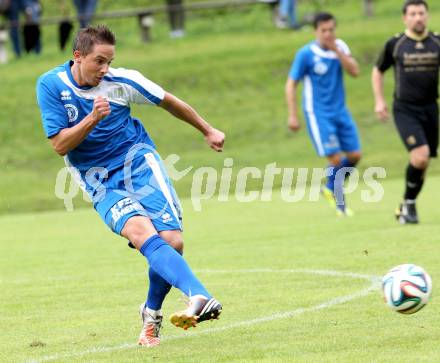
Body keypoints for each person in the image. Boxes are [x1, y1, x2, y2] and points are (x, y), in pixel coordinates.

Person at [36, 25, 224, 347]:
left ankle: (151, 314)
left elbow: (168, 101)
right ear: (77, 56)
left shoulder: (122, 82)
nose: (105, 69)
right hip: (98, 179)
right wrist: (91, 119)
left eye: (109, 61)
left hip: (138, 164)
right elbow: (60, 145)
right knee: (140, 233)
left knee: (172, 241)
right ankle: (199, 296)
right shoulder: (51, 85)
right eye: (99, 61)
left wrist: (206, 129)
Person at [285, 12, 361, 216]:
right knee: (335, 159)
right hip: (318, 113)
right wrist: (293, 115)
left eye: (331, 30)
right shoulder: (306, 54)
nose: (328, 34)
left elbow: (355, 72)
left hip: (340, 111)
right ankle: (339, 201)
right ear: (316, 31)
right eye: (324, 30)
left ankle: (329, 187)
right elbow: (291, 84)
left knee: (355, 155)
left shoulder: (340, 47)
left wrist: (337, 50)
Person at [372, 0, 439, 224]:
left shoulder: (437, 42)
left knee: (424, 161)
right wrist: (379, 101)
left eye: (421, 13)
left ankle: (406, 205)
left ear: (427, 16)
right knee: (420, 155)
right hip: (405, 109)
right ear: (405, 18)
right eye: (413, 14)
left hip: (431, 107)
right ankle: (408, 206)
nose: (417, 18)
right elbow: (377, 70)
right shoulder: (396, 43)